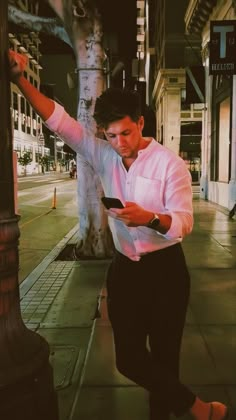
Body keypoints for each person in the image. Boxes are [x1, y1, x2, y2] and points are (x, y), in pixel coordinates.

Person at [8, 51, 228, 420]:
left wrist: (151, 219)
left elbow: (184, 223)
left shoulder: (170, 165)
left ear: (141, 123)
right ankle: (197, 408)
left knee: (165, 358)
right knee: (127, 359)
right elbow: (59, 121)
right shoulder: (104, 154)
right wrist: (19, 79)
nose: (120, 142)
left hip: (166, 271)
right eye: (111, 135)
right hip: (125, 270)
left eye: (126, 132)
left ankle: (170, 414)